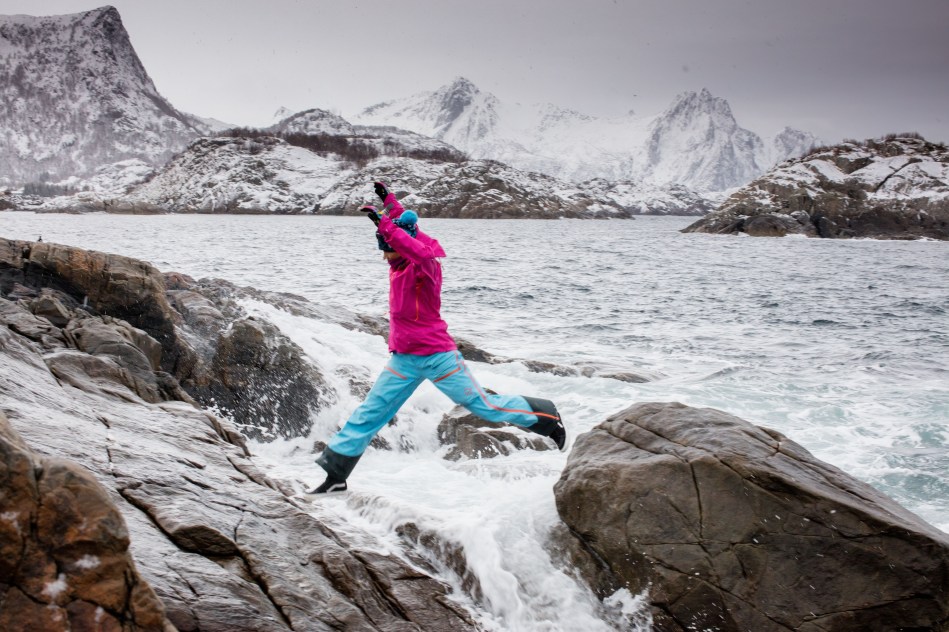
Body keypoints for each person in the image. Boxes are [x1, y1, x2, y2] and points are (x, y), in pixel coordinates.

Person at [310, 181, 566, 494]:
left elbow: (411, 242)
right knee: (369, 413)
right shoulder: (400, 263)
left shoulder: (425, 265)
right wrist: (388, 202)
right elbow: (407, 223)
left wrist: (384, 224)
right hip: (404, 359)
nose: (384, 257)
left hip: (437, 356)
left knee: (484, 405)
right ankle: (335, 476)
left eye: (388, 249)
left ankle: (548, 418)